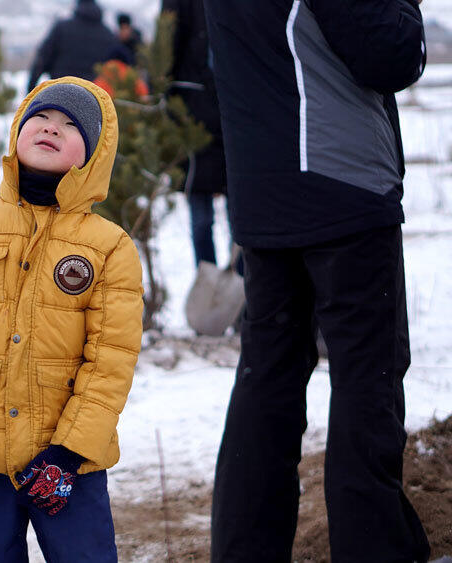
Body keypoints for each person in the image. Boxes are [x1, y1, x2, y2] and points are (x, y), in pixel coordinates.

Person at [202, 0, 430, 561]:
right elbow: (390, 52)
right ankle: (375, 550)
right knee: (367, 379)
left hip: (263, 191)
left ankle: (246, 550)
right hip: (342, 183)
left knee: (268, 378)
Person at [0, 77, 144, 561]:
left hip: (69, 465)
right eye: (41, 117)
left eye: (70, 125)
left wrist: (70, 452)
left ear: (93, 154)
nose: (51, 128)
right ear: (18, 130)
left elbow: (110, 363)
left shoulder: (109, 247)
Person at [161, 0, 236, 272]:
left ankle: (240, 281)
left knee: (238, 213)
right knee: (205, 214)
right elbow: (165, 51)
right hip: (196, 116)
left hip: (228, 113)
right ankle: (210, 279)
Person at [27, 0, 123, 92]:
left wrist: (31, 90)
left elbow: (42, 60)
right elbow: (115, 68)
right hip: (94, 94)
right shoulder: (107, 34)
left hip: (60, 91)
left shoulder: (62, 28)